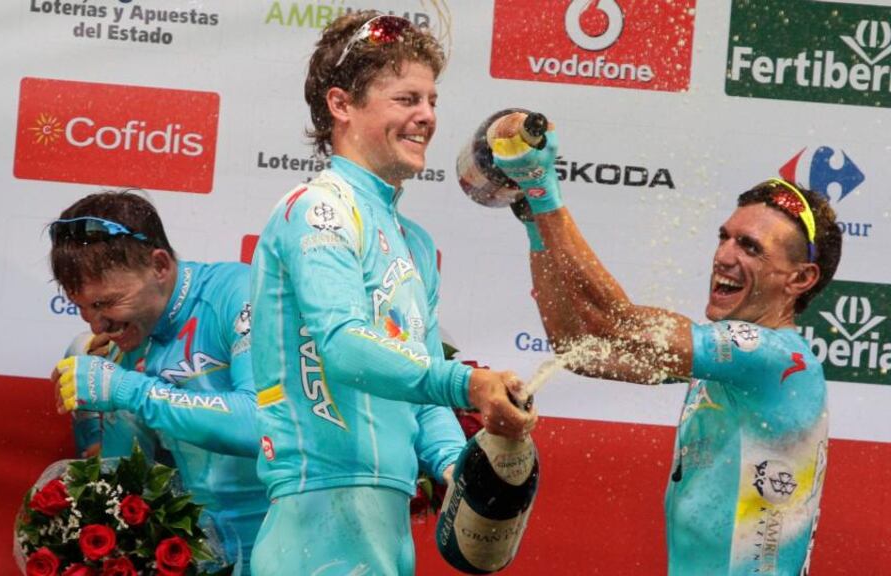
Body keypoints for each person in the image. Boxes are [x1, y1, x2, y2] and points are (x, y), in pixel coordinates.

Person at [248, 12, 537, 575]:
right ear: (341, 105)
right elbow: (343, 344)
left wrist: (465, 469)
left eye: (431, 99)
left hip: (385, 535)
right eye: (406, 98)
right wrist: (469, 382)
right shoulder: (317, 209)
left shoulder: (416, 244)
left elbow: (421, 390)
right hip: (315, 523)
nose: (427, 115)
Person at [494, 117, 842, 574]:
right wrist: (533, 220)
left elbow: (621, 321)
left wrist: (543, 188)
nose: (725, 255)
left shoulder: (777, 358)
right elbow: (575, 343)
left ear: (800, 278)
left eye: (751, 248)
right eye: (725, 237)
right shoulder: (726, 366)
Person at [49, 191, 266, 575]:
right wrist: (97, 412)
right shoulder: (109, 347)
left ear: (160, 266)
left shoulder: (238, 295)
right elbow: (123, 492)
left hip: (282, 544)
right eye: (81, 306)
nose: (96, 325)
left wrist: (128, 390)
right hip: (199, 555)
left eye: (105, 303)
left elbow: (261, 426)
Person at [63, 330, 158, 459]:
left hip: (178, 454)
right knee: (79, 348)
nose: (98, 324)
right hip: (113, 453)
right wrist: (94, 435)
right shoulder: (91, 345)